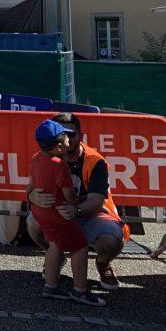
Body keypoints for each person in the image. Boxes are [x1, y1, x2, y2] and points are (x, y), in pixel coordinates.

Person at [26, 111, 128, 291]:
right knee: (32, 223)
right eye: (62, 135)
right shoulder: (45, 158)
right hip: (60, 214)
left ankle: (103, 263)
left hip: (92, 214)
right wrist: (31, 196)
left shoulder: (95, 161)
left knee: (111, 239)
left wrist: (76, 211)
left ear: (80, 135)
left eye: (71, 134)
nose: (66, 139)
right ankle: (59, 265)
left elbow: (96, 201)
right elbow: (30, 187)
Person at [28, 119, 104, 306]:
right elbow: (68, 193)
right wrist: (75, 201)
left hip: (43, 212)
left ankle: (50, 286)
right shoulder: (59, 165)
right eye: (66, 137)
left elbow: (33, 184)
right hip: (59, 213)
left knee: (55, 245)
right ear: (60, 146)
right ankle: (80, 291)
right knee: (80, 247)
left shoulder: (36, 158)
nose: (70, 140)